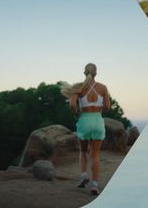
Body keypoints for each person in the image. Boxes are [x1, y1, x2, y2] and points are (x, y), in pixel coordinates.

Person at [60, 63, 111, 195]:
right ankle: (94, 185)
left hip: (85, 119)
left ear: (84, 73)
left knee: (83, 151)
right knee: (95, 155)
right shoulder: (103, 88)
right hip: (98, 120)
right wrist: (99, 111)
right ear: (96, 73)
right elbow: (107, 106)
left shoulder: (79, 87)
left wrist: (76, 113)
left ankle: (84, 176)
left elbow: (72, 104)